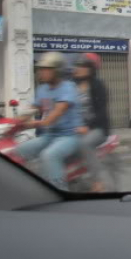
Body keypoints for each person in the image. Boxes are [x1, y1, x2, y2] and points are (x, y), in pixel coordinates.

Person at [15, 52, 82, 190]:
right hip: (50, 135)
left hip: (69, 136)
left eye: (46, 69)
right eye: (41, 69)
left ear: (56, 71)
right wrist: (14, 122)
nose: (41, 72)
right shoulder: (42, 89)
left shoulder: (68, 88)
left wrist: (28, 125)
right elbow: (33, 108)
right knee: (19, 150)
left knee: (49, 155)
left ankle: (60, 191)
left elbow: (57, 113)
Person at [73, 53, 111, 192]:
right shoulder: (73, 85)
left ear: (91, 69)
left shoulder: (98, 86)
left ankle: (97, 181)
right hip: (75, 126)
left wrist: (87, 127)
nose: (79, 68)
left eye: (83, 66)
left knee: (85, 144)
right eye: (78, 65)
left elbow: (101, 112)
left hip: (97, 128)